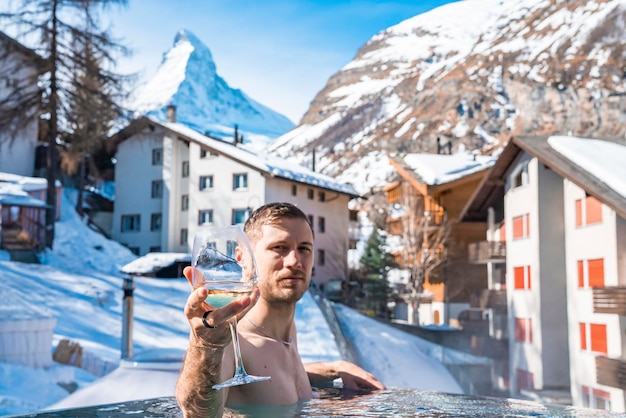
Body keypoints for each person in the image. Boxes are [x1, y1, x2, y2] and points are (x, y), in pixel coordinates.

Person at [176, 202, 385, 417]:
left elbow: (272, 374)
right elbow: (196, 412)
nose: (294, 261)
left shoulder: (286, 332)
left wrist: (333, 368)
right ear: (242, 258)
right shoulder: (230, 341)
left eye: (304, 249)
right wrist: (206, 345)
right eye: (279, 248)